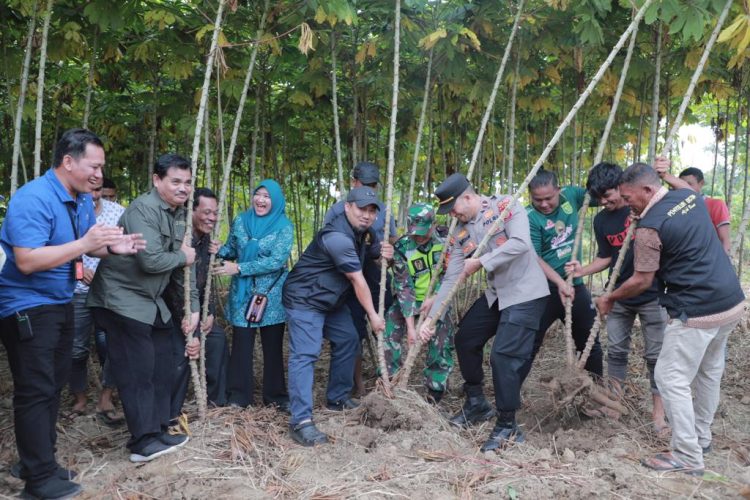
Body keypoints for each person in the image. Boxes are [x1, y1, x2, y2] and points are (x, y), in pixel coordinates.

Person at [0, 128, 144, 499]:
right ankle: (37, 482)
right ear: (68, 162)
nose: (99, 174)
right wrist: (84, 244)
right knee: (35, 390)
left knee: (51, 388)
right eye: (93, 167)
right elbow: (27, 259)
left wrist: (117, 249)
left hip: (61, 301)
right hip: (27, 306)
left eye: (101, 168)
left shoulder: (78, 200)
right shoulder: (33, 198)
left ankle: (36, 463)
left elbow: (87, 248)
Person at [596, 162, 745, 475]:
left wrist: (609, 297)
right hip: (731, 302)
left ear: (648, 191)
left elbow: (641, 281)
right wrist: (667, 175)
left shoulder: (651, 227)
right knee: (709, 372)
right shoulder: (686, 197)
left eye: (628, 197)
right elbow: (687, 188)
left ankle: (687, 455)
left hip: (697, 311)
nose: (625, 203)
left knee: (669, 377)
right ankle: (701, 438)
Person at [419, 173, 550, 452]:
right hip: (497, 295)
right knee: (465, 337)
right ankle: (476, 402)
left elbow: (521, 243)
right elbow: (453, 276)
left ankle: (507, 425)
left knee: (502, 356)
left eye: (453, 208)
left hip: (526, 293)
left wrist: (481, 262)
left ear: (468, 197)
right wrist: (431, 320)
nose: (451, 214)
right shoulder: (459, 232)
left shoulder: (506, 206)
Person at [87, 153, 200, 463]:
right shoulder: (143, 209)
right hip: (119, 300)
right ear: (156, 180)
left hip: (149, 302)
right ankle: (142, 442)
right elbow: (152, 261)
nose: (183, 188)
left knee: (166, 358)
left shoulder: (178, 213)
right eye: (175, 181)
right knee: (138, 370)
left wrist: (193, 308)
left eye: (188, 182)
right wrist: (184, 257)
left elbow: (181, 268)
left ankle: (158, 426)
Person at [283, 186, 393, 446]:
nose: (366, 215)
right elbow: (357, 279)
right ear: (347, 208)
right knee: (306, 354)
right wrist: (374, 316)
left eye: (371, 211)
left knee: (348, 339)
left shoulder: (363, 234)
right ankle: (300, 421)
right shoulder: (337, 236)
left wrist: (380, 251)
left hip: (331, 300)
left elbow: (367, 253)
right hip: (305, 299)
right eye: (360, 209)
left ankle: (337, 398)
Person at [564, 162, 667, 431]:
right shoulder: (601, 221)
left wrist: (666, 173)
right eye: (599, 198)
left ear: (622, 188)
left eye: (608, 195)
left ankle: (659, 415)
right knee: (616, 353)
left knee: (656, 356)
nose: (604, 201)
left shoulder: (643, 208)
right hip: (617, 294)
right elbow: (607, 256)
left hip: (653, 293)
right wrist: (582, 270)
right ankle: (614, 406)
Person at [214, 180, 293, 411]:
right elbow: (231, 248)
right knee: (241, 345)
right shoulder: (241, 220)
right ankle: (239, 396)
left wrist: (239, 268)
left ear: (276, 200)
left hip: (271, 295)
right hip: (243, 293)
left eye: (267, 196)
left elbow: (276, 261)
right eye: (258, 194)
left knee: (272, 345)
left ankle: (276, 396)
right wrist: (216, 249)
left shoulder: (284, 226)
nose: (261, 200)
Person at [323, 161, 396, 396]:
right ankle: (357, 384)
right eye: (365, 184)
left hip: (374, 275)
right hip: (346, 278)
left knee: (385, 325)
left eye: (373, 185)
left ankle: (386, 379)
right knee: (353, 331)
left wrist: (385, 253)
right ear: (353, 183)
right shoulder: (338, 210)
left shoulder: (383, 210)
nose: (370, 190)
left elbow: (392, 241)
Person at [525, 170, 603, 381]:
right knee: (528, 345)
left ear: (559, 190)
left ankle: (596, 391)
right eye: (537, 199)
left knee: (589, 342)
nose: (544, 204)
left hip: (574, 285)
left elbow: (604, 195)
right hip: (544, 290)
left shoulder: (572, 195)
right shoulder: (529, 218)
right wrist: (559, 283)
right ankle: (510, 401)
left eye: (549, 198)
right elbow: (535, 258)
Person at [164, 187, 229, 421]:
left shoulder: (207, 241)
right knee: (180, 354)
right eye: (206, 212)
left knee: (217, 339)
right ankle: (170, 415)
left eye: (215, 214)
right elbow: (175, 286)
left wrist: (209, 312)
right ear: (192, 210)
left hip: (196, 314)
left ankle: (216, 404)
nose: (211, 218)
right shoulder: (180, 238)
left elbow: (205, 282)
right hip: (172, 314)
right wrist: (188, 321)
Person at [382, 203, 455, 403]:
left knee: (441, 342)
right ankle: (392, 386)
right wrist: (411, 328)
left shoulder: (447, 240)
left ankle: (435, 392)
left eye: (424, 233)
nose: (419, 238)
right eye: (415, 233)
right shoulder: (403, 247)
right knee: (389, 333)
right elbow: (403, 286)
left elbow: (452, 275)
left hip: (439, 299)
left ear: (433, 225)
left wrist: (436, 299)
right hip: (409, 301)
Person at [68, 177, 126, 425]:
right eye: (89, 188)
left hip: (109, 290)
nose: (94, 193)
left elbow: (124, 248)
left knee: (113, 343)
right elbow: (62, 246)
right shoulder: (71, 209)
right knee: (76, 348)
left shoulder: (118, 212)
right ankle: (79, 397)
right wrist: (79, 269)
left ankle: (106, 396)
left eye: (98, 189)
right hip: (77, 288)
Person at [673, 167, 731, 254]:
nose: (684, 188)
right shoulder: (675, 207)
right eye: (681, 184)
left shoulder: (716, 205)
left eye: (689, 184)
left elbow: (725, 241)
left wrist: (723, 262)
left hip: (709, 260)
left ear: (701, 183)